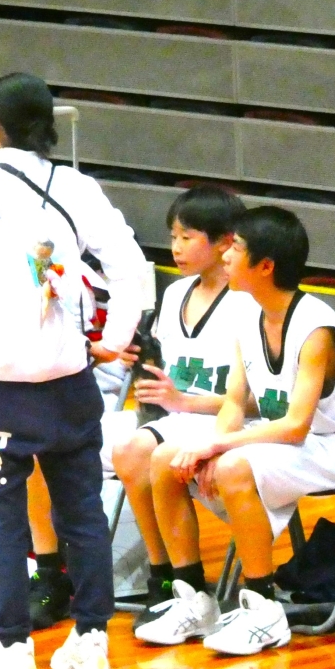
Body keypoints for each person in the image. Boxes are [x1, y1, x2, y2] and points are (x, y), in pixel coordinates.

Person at [0, 72, 147, 669]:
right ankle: (92, 641)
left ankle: (11, 649)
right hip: (71, 383)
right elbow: (133, 268)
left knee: (1, 522)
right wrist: (115, 340)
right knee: (83, 514)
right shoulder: (77, 186)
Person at [141, 207, 335, 655]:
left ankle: (262, 607)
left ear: (265, 265)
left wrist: (218, 446)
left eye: (235, 248)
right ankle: (194, 597)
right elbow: (235, 402)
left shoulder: (316, 327)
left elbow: (295, 426)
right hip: (285, 439)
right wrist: (210, 446)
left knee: (233, 466)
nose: (226, 256)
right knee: (163, 458)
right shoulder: (248, 315)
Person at [110, 186, 251, 628]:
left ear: (225, 242)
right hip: (176, 417)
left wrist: (182, 400)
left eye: (187, 237)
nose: (176, 247)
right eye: (173, 236)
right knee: (118, 447)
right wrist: (138, 359)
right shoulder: (175, 294)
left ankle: (184, 581)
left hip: (224, 421)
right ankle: (162, 574)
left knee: (139, 451)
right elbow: (163, 370)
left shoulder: (248, 303)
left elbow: (252, 400)